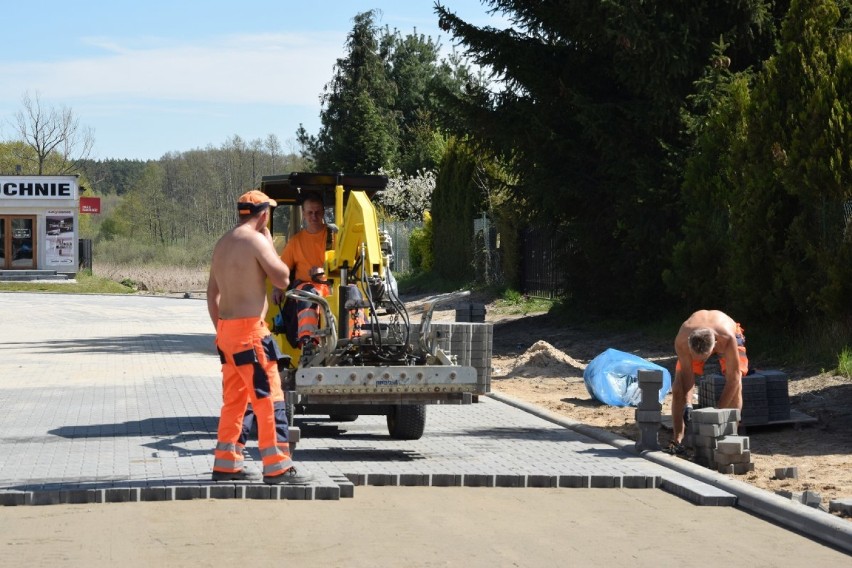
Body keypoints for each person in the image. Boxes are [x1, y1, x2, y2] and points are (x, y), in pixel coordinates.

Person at [207, 189, 312, 484]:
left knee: (235, 401)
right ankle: (277, 465)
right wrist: (268, 244)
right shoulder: (256, 241)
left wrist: (223, 331)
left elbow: (212, 295)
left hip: (227, 333)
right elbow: (282, 278)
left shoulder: (222, 244)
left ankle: (226, 464)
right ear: (264, 214)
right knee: (269, 398)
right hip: (251, 332)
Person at [666, 309, 749, 455]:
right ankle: (677, 439)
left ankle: (730, 437)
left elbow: (733, 380)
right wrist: (688, 404)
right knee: (678, 388)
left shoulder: (728, 339)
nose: (700, 362)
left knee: (738, 386)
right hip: (698, 341)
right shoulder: (682, 341)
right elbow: (687, 375)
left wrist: (715, 415)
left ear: (715, 345)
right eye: (696, 358)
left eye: (703, 358)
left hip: (727, 333)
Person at [271, 191, 331, 357]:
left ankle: (355, 338)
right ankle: (308, 342)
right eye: (310, 213)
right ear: (303, 214)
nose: (314, 216)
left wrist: (324, 271)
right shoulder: (296, 242)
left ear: (323, 212)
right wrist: (277, 289)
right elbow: (281, 269)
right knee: (307, 294)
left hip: (331, 287)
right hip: (307, 288)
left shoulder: (333, 236)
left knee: (352, 293)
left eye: (317, 212)